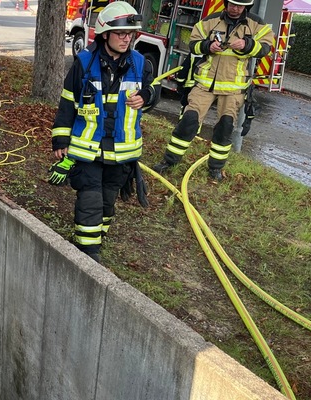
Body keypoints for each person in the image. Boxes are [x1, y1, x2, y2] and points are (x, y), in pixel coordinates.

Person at [48, 1, 158, 264]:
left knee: (108, 201)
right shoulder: (84, 63)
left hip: (122, 153)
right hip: (88, 150)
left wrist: (146, 95)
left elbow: (154, 92)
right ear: (105, 33)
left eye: (130, 34)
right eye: (120, 33)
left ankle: (96, 237)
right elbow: (67, 102)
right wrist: (60, 138)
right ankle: (87, 253)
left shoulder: (140, 64)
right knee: (91, 198)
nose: (126, 38)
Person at [151, 0, 273, 181]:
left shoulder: (257, 24)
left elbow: (266, 47)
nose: (236, 9)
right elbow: (193, 43)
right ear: (226, 3)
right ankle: (169, 161)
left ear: (246, 7)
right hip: (204, 85)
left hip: (233, 89)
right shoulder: (211, 20)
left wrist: (247, 45)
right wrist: (207, 46)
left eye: (240, 6)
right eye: (232, 4)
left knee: (225, 127)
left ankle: (215, 168)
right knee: (189, 121)